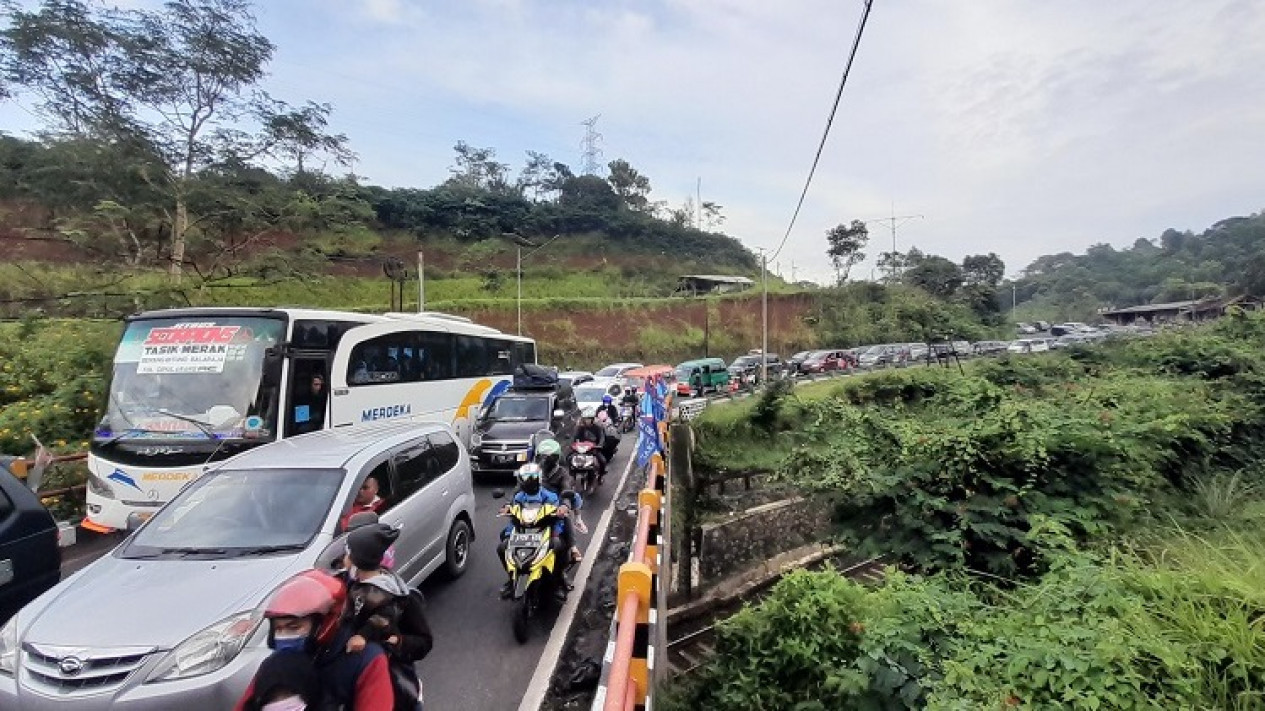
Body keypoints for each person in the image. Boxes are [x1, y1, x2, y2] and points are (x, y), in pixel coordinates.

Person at [234, 569, 393, 711]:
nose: (283, 635)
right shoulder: (276, 666)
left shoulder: (366, 660)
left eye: (294, 627)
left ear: (323, 624)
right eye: (278, 629)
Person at [339, 524, 432, 711]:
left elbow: (424, 642)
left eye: (347, 554)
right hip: (357, 679)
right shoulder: (351, 585)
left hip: (395, 685)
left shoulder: (400, 597)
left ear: (358, 560)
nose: (343, 559)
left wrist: (396, 641)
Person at [497, 464, 579, 601]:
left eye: (532, 477)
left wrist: (560, 512)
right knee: (502, 547)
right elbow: (513, 519)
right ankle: (512, 579)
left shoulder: (550, 496)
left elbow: (559, 517)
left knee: (557, 546)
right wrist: (507, 512)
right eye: (526, 478)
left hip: (545, 531)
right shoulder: (518, 498)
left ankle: (559, 581)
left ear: (538, 479)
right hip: (523, 533)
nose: (529, 481)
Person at [573, 407, 608, 479]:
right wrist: (573, 445)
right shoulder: (580, 428)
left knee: (603, 461)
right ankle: (572, 477)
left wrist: (600, 445)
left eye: (589, 419)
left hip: (593, 449)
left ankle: (600, 477)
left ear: (592, 419)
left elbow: (602, 437)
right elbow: (575, 437)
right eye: (586, 419)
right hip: (582, 450)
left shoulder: (597, 428)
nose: (587, 421)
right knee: (570, 459)